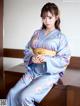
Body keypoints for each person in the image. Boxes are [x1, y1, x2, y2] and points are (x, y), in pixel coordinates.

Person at [7, 2, 71, 106]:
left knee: (25, 96)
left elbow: (65, 59)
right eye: (44, 18)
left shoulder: (61, 37)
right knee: (11, 93)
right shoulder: (36, 33)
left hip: (48, 74)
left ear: (56, 17)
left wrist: (46, 59)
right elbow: (27, 49)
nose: (47, 21)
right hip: (33, 71)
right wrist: (32, 58)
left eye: (50, 17)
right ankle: (2, 104)